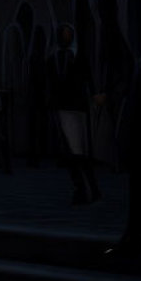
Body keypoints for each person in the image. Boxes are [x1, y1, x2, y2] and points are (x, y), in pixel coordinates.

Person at [47, 23, 100, 205]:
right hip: (61, 107)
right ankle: (84, 188)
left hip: (77, 107)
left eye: (69, 34)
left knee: (79, 151)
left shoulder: (78, 56)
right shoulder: (53, 58)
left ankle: (88, 188)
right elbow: (50, 83)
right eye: (63, 34)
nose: (65, 37)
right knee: (70, 151)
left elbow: (88, 78)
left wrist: (93, 96)